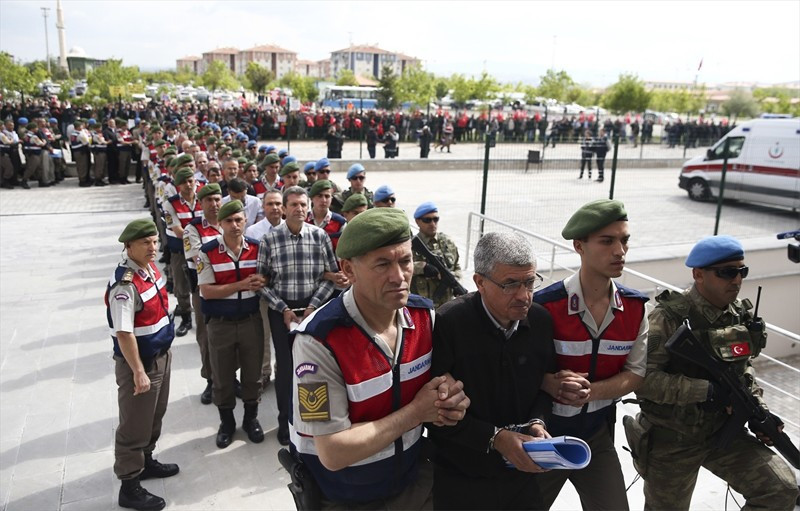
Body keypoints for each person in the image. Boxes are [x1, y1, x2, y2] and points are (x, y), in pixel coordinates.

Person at [289, 207, 470, 508]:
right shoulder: (319, 340)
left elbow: (441, 385)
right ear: (348, 270)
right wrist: (416, 413)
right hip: (346, 497)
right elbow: (333, 452)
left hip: (414, 484)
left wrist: (450, 398)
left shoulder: (424, 317)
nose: (398, 277)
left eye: (405, 261)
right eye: (382, 264)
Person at [634, 235, 798, 511]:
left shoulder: (738, 316)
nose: (736, 280)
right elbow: (644, 381)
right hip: (672, 438)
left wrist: (759, 411)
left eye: (741, 271)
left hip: (723, 433)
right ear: (698, 274)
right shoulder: (669, 317)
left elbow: (744, 370)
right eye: (726, 272)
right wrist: (707, 392)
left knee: (781, 490)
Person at [534, 199, 649, 510]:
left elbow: (636, 373)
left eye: (624, 240)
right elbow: (516, 368)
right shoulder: (544, 306)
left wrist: (592, 392)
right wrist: (548, 383)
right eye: (607, 241)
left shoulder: (636, 309)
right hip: (544, 437)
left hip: (596, 439)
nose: (620, 251)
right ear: (579, 246)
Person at [429, 232, 556, 510]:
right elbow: (434, 414)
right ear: (479, 282)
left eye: (530, 282)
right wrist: (494, 438)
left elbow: (546, 388)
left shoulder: (542, 321)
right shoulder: (449, 324)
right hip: (460, 479)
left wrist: (537, 423)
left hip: (521, 477)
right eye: (510, 284)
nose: (524, 296)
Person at [105, 219, 179, 510]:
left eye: (155, 241)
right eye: (146, 242)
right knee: (134, 424)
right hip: (141, 364)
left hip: (160, 355)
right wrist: (138, 371)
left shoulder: (149, 268)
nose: (153, 247)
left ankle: (146, 461)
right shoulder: (124, 283)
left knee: (153, 416)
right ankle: (130, 486)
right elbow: (124, 332)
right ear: (128, 246)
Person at [257, 186, 340, 445]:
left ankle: (312, 422)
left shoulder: (320, 237)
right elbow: (262, 282)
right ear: (283, 208)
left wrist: (313, 307)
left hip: (313, 310)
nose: (299, 209)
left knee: (313, 368)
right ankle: (286, 421)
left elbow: (332, 277)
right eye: (293, 204)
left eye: (303, 204)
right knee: (286, 369)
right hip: (282, 312)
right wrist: (283, 309)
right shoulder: (269, 240)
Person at [198, 200, 267, 449]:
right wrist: (240, 285)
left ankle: (251, 419)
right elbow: (206, 291)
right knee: (223, 377)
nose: (235, 225)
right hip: (220, 324)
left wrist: (262, 279)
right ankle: (226, 423)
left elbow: (267, 275)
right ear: (220, 223)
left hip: (250, 321)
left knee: (252, 375)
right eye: (229, 221)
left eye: (239, 220)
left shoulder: (259, 248)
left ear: (245, 220)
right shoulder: (207, 252)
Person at [183, 183, 224, 405]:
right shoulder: (193, 229)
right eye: (209, 200)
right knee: (206, 336)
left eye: (217, 199)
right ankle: (210, 378)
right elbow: (197, 259)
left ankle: (228, 377)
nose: (214, 204)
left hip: (230, 287)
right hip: (204, 289)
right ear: (201, 203)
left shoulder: (230, 223)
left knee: (230, 335)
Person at [246, 189, 285, 391]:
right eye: (270, 204)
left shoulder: (291, 229)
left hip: (285, 293)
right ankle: (263, 373)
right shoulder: (253, 232)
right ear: (263, 207)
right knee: (263, 335)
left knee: (285, 335)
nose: (275, 208)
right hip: (263, 293)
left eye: (278, 203)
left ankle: (282, 371)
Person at [162, 168, 202, 337]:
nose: (188, 185)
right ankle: (186, 317)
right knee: (181, 286)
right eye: (184, 182)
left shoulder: (202, 198)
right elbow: (178, 231)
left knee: (201, 283)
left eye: (191, 181)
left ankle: (202, 315)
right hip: (180, 251)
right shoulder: (170, 203)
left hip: (202, 251)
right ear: (178, 185)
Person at [411, 202, 462, 309]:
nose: (432, 223)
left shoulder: (448, 243)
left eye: (435, 219)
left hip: (447, 305)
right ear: (417, 221)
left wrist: (454, 280)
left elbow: (457, 267)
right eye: (427, 220)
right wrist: (422, 267)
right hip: (421, 305)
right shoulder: (411, 245)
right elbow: (401, 268)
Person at [306, 179, 346, 252]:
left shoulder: (340, 222)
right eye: (319, 196)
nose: (323, 200)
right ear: (311, 198)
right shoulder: (303, 220)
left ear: (331, 199)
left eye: (327, 196)